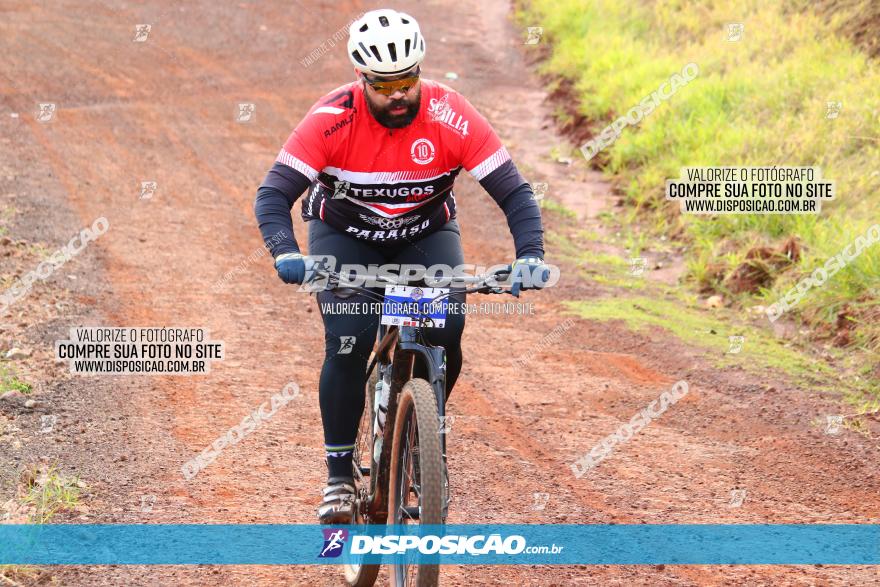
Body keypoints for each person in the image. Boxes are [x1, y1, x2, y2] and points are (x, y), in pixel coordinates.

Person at [254, 8, 549, 524]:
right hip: (345, 238)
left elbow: (515, 193)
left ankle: (422, 428)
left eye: (407, 80)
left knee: (447, 326)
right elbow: (273, 194)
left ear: (421, 72)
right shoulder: (331, 119)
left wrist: (530, 257)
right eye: (384, 84)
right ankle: (340, 478)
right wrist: (286, 253)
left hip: (424, 237)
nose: (398, 94)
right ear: (361, 78)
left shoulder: (451, 114)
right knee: (348, 340)